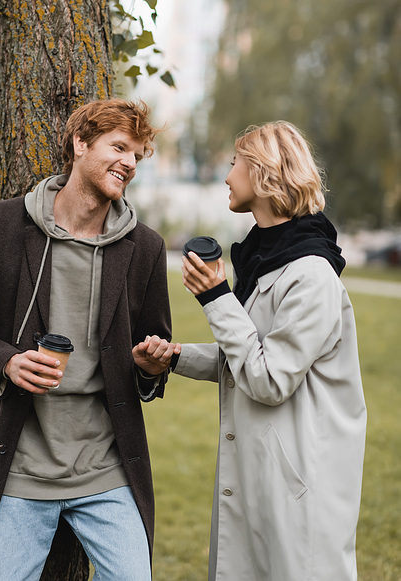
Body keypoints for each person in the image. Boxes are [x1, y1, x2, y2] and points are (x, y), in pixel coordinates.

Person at [0, 98, 178, 581]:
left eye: (138, 155)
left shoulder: (146, 248)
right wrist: (6, 362)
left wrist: (150, 365)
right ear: (79, 144)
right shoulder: (0, 225)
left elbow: (153, 349)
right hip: (17, 464)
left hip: (105, 468)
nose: (129, 162)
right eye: (119, 147)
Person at [135, 121, 367, 581]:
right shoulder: (265, 262)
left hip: (299, 489)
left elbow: (268, 381)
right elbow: (246, 358)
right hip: (261, 478)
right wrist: (175, 357)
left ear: (262, 173)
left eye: (234, 162)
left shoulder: (312, 275)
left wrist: (217, 297)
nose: (226, 175)